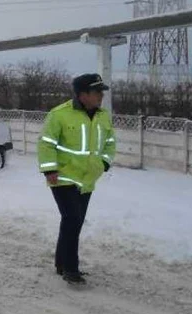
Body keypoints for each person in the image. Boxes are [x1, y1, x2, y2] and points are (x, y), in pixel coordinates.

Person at [37, 73, 117, 285]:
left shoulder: (103, 116)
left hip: (88, 179)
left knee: (73, 221)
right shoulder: (60, 114)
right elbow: (46, 143)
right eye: (97, 92)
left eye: (101, 92)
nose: (101, 96)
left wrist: (104, 163)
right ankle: (71, 269)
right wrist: (50, 169)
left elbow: (110, 142)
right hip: (63, 177)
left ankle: (61, 262)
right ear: (83, 94)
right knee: (73, 219)